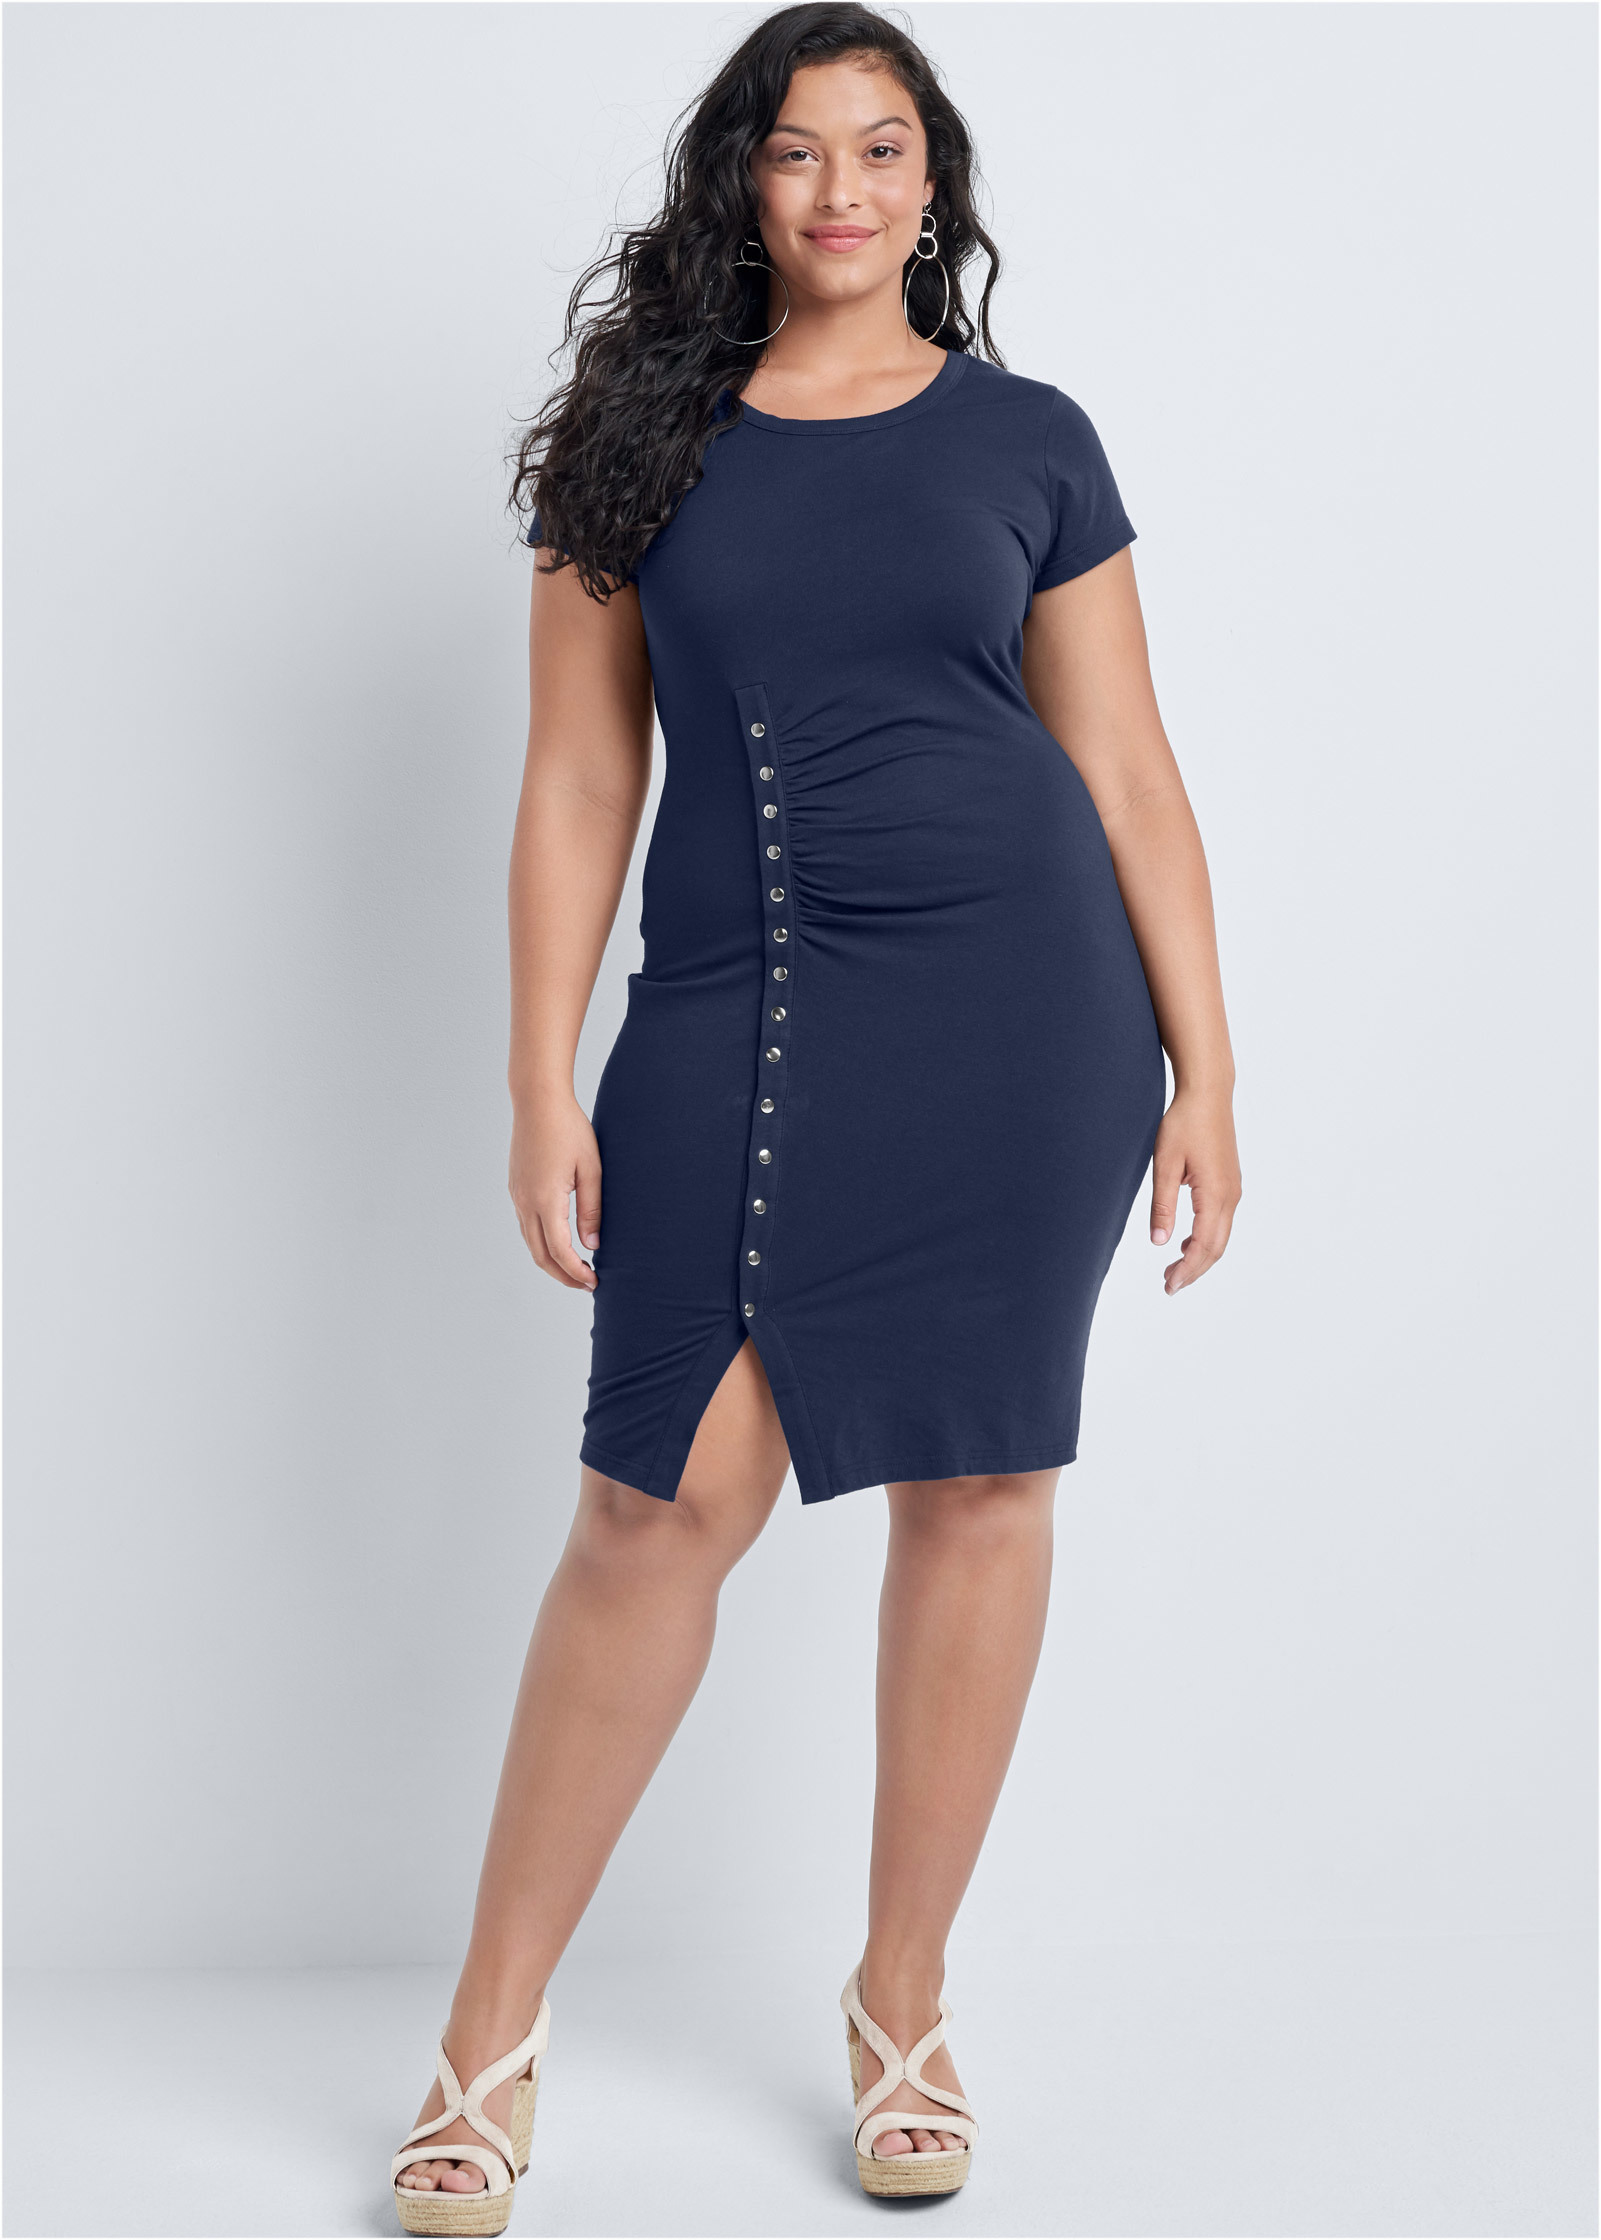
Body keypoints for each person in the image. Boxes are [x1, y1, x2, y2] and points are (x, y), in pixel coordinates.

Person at [390, 3, 1241, 2228]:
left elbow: (1127, 768)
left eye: (881, 148)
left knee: (981, 1477)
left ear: (930, 182)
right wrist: (539, 1070)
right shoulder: (637, 441)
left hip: (1020, 1013)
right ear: (742, 185)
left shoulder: (1031, 438)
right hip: (736, 1004)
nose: (841, 188)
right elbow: (581, 774)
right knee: (655, 1503)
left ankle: (903, 2001)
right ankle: (486, 2038)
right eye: (797, 150)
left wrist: (1210, 1064)